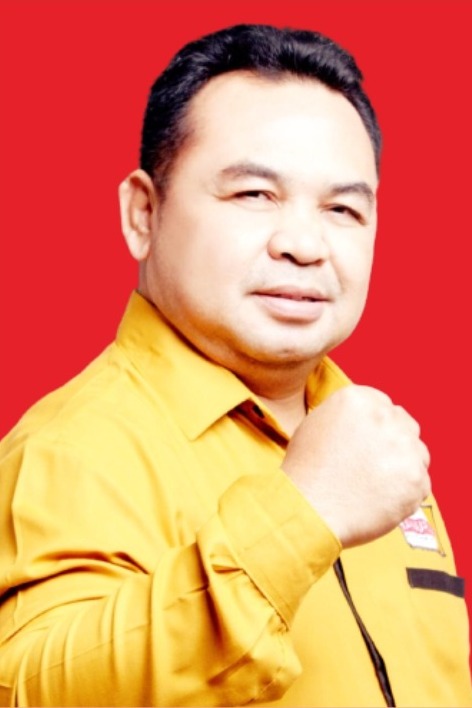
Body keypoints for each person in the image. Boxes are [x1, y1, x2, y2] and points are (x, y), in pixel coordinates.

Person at [0, 22, 470, 708]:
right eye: (254, 194)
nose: (305, 244)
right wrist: (301, 515)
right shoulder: (71, 451)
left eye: (343, 208)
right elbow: (32, 690)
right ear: (143, 214)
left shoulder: (380, 447)